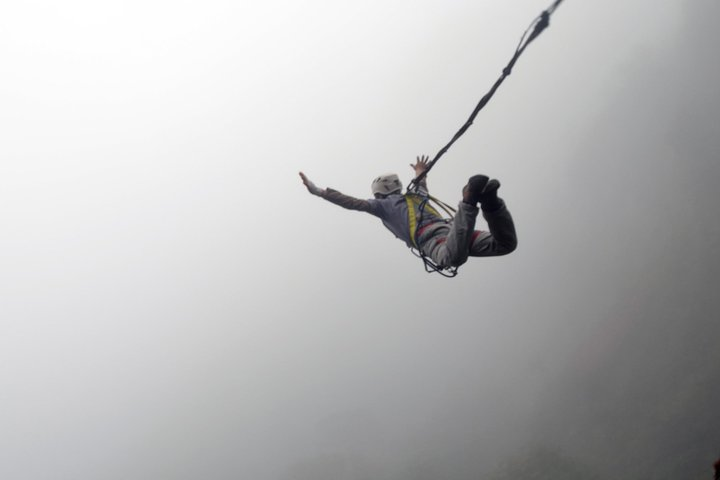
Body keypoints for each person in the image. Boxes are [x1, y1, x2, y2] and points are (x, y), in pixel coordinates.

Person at [299, 155, 517, 270]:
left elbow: (350, 202)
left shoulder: (381, 206)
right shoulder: (416, 194)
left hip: (433, 241)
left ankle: (468, 202)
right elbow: (421, 180)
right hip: (453, 230)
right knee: (505, 244)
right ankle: (491, 203)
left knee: (451, 259)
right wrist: (420, 170)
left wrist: (319, 191)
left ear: (378, 192)